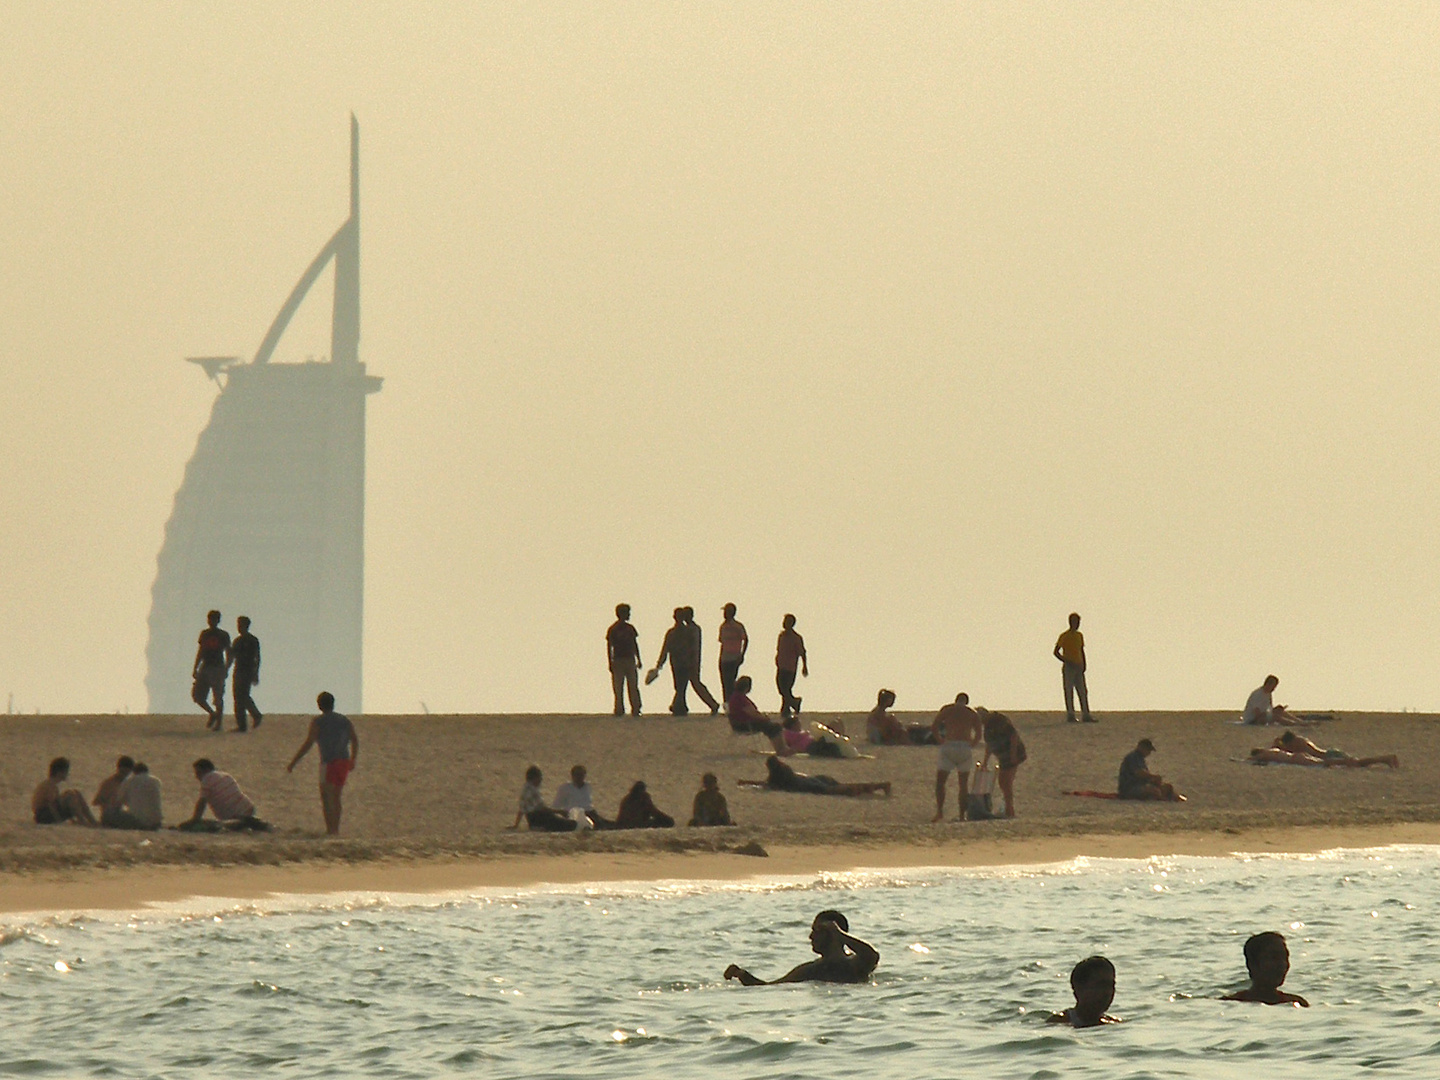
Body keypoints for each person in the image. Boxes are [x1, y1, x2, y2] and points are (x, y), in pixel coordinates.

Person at [724, 910, 879, 985]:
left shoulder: (854, 964)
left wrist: (838, 933)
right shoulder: (810, 969)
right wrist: (742, 974)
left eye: (817, 931)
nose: (811, 937)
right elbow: (770, 987)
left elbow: (872, 956)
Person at [286, 691, 360, 835]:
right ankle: (335, 829)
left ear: (319, 705)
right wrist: (353, 758)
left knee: (326, 796)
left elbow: (309, 742)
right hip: (343, 761)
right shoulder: (344, 720)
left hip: (329, 762)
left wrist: (294, 762)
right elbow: (354, 739)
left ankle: (330, 829)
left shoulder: (318, 722)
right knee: (337, 797)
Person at [653, 608, 720, 716]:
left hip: (685, 662)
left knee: (684, 685)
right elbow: (666, 648)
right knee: (681, 685)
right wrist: (660, 663)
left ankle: (681, 706)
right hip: (678, 662)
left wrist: (692, 662)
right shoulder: (678, 632)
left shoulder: (689, 631)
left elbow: (690, 648)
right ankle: (680, 706)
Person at [931, 692, 984, 822]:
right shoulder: (972, 713)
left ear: (956, 700)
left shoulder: (948, 709)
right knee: (963, 784)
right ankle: (962, 815)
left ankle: (940, 812)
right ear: (966, 702)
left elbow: (935, 725)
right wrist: (972, 744)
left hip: (949, 744)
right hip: (964, 746)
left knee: (941, 782)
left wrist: (940, 739)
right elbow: (978, 732)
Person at [1222, 932, 1309, 1006]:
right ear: (1252, 965)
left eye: (1285, 957)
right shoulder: (1231, 1003)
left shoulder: (1296, 1002)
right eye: (1274, 958)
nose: (1282, 964)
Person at [178, 759, 269, 831]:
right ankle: (250, 822)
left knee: (216, 826)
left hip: (234, 816)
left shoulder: (207, 778)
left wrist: (194, 820)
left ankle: (246, 823)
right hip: (248, 808)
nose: (196, 777)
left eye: (198, 773)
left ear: (206, 770)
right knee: (242, 823)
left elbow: (202, 802)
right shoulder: (226, 775)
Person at [742, 754, 891, 797]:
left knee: (843, 789)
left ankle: (878, 786)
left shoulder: (778, 776)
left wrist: (746, 782)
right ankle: (878, 786)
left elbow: (766, 784)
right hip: (813, 778)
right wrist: (746, 781)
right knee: (842, 786)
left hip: (809, 785)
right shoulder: (786, 769)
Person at [1254, 732, 1399, 769]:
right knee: (1358, 763)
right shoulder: (1301, 740)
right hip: (1330, 752)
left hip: (1328, 756)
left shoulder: (1296, 745)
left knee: (1357, 763)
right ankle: (1385, 759)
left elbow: (1280, 750)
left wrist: (1275, 745)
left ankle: (1385, 759)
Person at [1048, 956, 1120, 1026]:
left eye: (1110, 985)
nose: (1107, 992)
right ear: (1079, 988)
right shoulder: (1059, 1022)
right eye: (1099, 985)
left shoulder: (1113, 1023)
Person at [981, 710, 1028, 819]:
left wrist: (1013, 755)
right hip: (1003, 758)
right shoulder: (987, 730)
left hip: (1012, 755)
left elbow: (1014, 736)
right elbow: (989, 746)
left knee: (1006, 783)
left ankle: (1010, 810)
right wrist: (985, 762)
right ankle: (1008, 809)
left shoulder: (1000, 722)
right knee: (1003, 783)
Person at [192, 609, 232, 730]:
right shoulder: (204, 634)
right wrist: (196, 667)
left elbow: (229, 652)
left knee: (218, 696)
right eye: (210, 619)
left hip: (217, 667)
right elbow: (201, 651)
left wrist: (226, 668)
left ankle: (219, 723)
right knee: (198, 696)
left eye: (214, 619)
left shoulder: (223, 635)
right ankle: (212, 714)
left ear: (218, 620)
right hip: (206, 667)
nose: (211, 622)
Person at [510, 765, 577, 832]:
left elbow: (521, 810)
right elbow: (542, 808)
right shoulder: (533, 791)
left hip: (531, 820)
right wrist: (559, 811)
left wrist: (516, 825)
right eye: (540, 777)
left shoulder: (525, 789)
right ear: (535, 778)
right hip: (540, 818)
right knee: (570, 825)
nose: (541, 780)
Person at [1053, 612, 1094, 723]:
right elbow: (1056, 652)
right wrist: (1067, 661)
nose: (1077, 624)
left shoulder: (1079, 635)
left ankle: (1086, 714)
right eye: (1076, 622)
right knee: (1069, 690)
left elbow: (1081, 650)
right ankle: (1070, 714)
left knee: (1082, 691)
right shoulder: (1064, 636)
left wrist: (1084, 663)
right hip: (1069, 667)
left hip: (1078, 666)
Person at [31, 757, 96, 826]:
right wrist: (59, 820)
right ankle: (82, 821)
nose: (67, 774)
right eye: (66, 772)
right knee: (70, 795)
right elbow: (51, 805)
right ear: (59, 773)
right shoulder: (50, 785)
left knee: (76, 793)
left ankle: (92, 821)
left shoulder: (53, 784)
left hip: (47, 813)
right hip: (43, 815)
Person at [1117, 738, 1185, 801]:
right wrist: (1153, 777)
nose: (1149, 753)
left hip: (1140, 785)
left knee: (1168, 787)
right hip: (1129, 788)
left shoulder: (1140, 759)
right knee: (1154, 791)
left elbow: (1144, 776)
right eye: (1148, 750)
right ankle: (1162, 799)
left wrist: (1153, 780)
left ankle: (1174, 797)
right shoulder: (1132, 757)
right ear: (1141, 747)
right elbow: (1139, 773)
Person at [606, 603, 643, 716]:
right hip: (619, 659)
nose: (629, 615)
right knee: (619, 686)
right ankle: (619, 708)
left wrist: (638, 658)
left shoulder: (630, 628)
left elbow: (634, 643)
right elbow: (609, 646)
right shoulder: (613, 629)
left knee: (632, 685)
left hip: (628, 659)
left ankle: (635, 707)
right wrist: (610, 661)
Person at [553, 764, 612, 828]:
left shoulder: (588, 786)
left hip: (589, 812)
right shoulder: (565, 788)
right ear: (572, 775)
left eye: (581, 774)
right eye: (577, 774)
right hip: (574, 814)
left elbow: (588, 803)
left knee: (605, 823)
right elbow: (556, 805)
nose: (579, 777)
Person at [230, 615, 263, 732]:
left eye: (241, 625)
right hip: (238, 670)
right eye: (238, 625)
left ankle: (255, 715)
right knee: (237, 697)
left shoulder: (253, 640)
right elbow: (232, 657)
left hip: (247, 671)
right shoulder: (237, 641)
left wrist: (256, 673)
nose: (239, 627)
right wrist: (226, 669)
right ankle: (242, 724)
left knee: (243, 696)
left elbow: (257, 657)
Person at [775, 614, 807, 718]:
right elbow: (779, 649)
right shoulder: (781, 636)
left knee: (786, 688)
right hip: (781, 665)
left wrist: (804, 666)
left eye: (787, 621)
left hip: (790, 667)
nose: (784, 623)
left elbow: (802, 652)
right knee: (781, 688)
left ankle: (786, 708)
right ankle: (793, 703)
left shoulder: (796, 638)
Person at [115, 762, 163, 830]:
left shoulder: (129, 780)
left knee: (111, 814)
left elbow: (119, 799)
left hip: (137, 820)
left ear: (134, 772)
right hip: (156, 821)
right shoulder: (156, 780)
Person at [718, 603, 749, 703]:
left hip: (734, 657)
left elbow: (746, 639)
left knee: (730, 681)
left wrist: (742, 655)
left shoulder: (738, 626)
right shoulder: (723, 626)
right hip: (724, 657)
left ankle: (733, 703)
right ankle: (727, 703)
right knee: (724, 682)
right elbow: (722, 642)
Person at [92, 755, 135, 826]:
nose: (124, 775)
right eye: (122, 772)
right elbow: (96, 801)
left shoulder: (129, 784)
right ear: (118, 769)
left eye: (127, 773)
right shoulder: (108, 783)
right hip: (108, 814)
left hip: (120, 813)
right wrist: (108, 799)